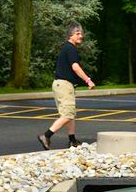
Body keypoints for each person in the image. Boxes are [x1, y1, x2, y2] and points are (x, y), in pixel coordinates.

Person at [38, 22, 94, 150]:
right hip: (64, 85)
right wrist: (88, 80)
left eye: (81, 33)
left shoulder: (67, 48)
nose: (81, 36)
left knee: (70, 114)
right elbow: (75, 67)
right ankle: (46, 136)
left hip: (61, 85)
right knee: (67, 114)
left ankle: (72, 140)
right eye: (77, 34)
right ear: (70, 35)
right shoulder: (70, 48)